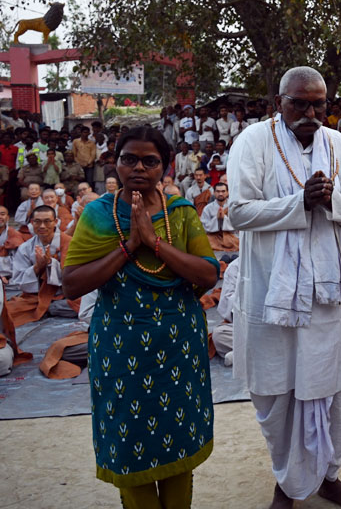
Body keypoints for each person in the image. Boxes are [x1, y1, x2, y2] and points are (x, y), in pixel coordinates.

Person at [228, 66, 341, 509]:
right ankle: (287, 483)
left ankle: (328, 476)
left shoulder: (340, 145)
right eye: (299, 103)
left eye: (318, 104)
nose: (310, 112)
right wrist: (298, 203)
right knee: (275, 394)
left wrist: (332, 201)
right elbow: (239, 213)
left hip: (326, 296)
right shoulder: (252, 142)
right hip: (272, 294)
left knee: (335, 390)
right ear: (279, 102)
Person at [62, 126, 219, 508]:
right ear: (115, 162)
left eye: (150, 161)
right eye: (129, 158)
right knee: (128, 441)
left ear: (165, 168)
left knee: (178, 437)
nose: (138, 168)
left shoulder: (180, 214)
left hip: (178, 347)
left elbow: (208, 273)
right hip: (121, 348)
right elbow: (71, 284)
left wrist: (155, 244)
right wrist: (131, 246)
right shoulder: (98, 214)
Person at [5, 205, 80, 327]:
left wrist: (51, 263)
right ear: (32, 223)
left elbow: (77, 276)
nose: (42, 226)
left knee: (85, 306)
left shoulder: (70, 243)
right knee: (7, 310)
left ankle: (48, 307)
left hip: (66, 296)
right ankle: (47, 307)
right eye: (37, 222)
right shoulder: (26, 248)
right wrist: (37, 267)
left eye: (47, 221)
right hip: (37, 296)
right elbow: (19, 280)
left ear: (55, 222)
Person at [210, 256, 240, 366]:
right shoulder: (235, 268)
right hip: (247, 324)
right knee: (219, 335)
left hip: (276, 325)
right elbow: (226, 310)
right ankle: (251, 352)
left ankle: (245, 353)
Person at [200, 182, 239, 252]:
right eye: (218, 191)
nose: (220, 194)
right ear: (214, 193)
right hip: (213, 236)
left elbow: (237, 225)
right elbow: (204, 227)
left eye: (223, 191)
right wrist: (216, 218)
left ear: (228, 193)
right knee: (205, 242)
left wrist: (224, 218)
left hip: (230, 236)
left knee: (237, 242)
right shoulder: (208, 208)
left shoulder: (233, 207)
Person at [0, 205, 24, 283]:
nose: (0, 217)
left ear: (7, 217)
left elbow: (20, 259)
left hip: (10, 276)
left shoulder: (14, 234)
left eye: (2, 214)